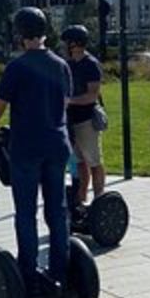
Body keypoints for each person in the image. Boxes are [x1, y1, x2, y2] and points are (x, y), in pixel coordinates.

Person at [0, 7, 73, 294]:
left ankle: (29, 272)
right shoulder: (61, 64)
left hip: (27, 147)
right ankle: (61, 268)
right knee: (57, 210)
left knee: (25, 212)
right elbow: (66, 101)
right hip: (57, 144)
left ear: (20, 35)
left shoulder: (18, 67)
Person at [61, 25, 106, 208]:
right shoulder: (69, 64)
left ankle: (99, 200)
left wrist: (69, 101)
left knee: (94, 161)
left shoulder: (90, 64)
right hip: (71, 119)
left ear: (74, 43)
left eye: (66, 43)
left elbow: (92, 95)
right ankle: (80, 200)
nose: (64, 47)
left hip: (86, 119)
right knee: (79, 162)